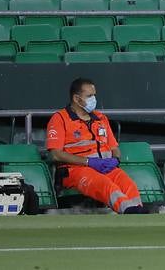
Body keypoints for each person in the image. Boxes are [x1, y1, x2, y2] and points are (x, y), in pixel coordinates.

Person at [45, 78, 147, 214]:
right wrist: (88, 162)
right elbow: (55, 154)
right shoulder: (60, 118)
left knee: (129, 184)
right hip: (76, 170)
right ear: (76, 98)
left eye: (94, 95)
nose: (94, 99)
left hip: (105, 166)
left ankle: (137, 212)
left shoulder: (100, 118)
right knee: (104, 185)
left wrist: (115, 160)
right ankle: (128, 211)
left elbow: (114, 148)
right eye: (89, 96)